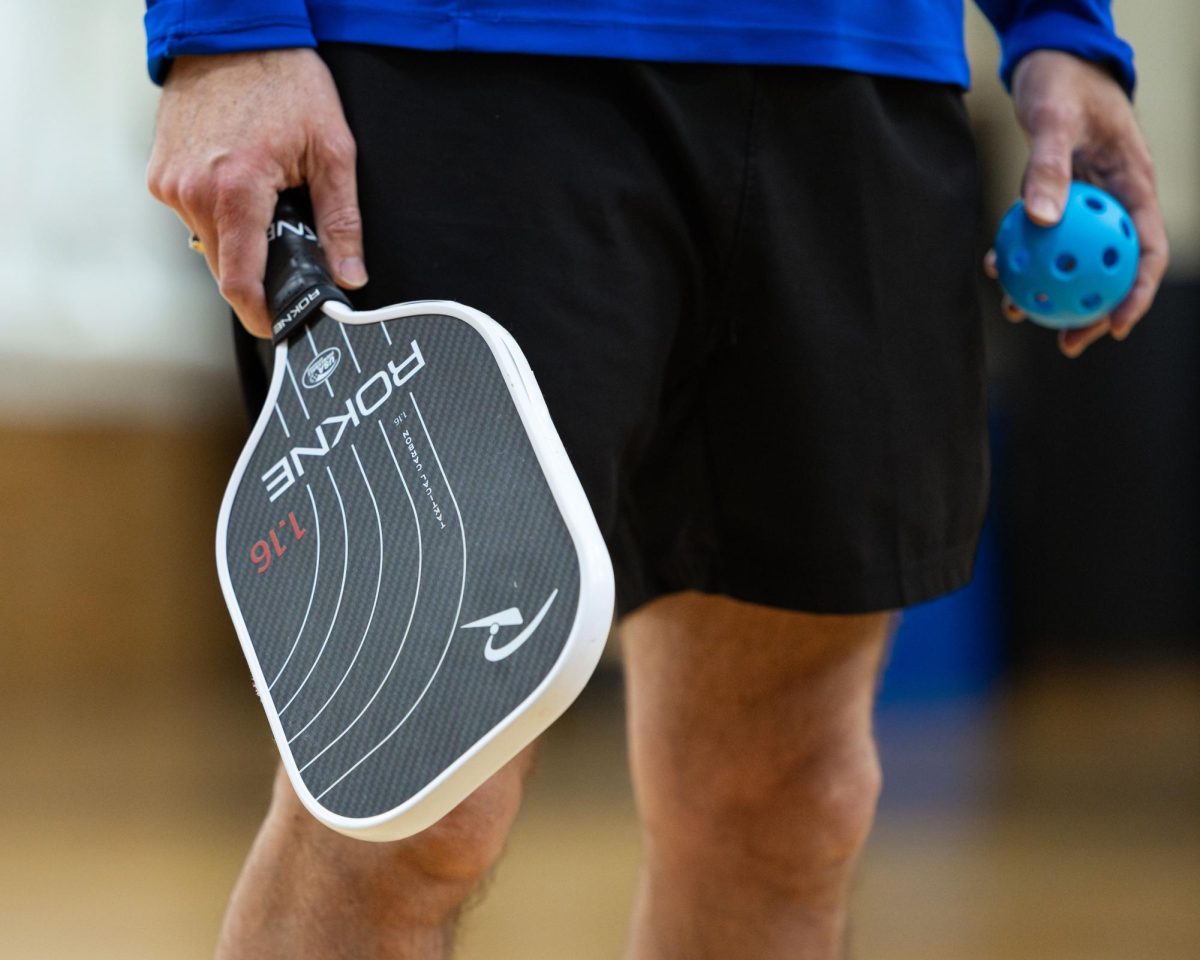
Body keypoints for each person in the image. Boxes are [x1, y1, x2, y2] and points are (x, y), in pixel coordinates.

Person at [145, 2, 1167, 957]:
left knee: (791, 800)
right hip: (462, 61)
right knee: (414, 801)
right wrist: (224, 27)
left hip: (854, 76)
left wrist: (1061, 27)